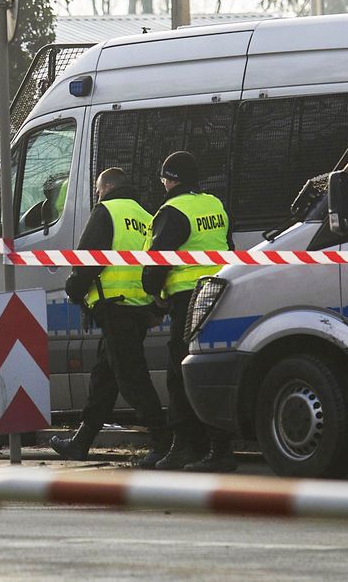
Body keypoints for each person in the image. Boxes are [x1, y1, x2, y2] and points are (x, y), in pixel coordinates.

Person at [54, 168, 171, 466]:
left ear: (107, 187)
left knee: (132, 378)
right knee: (104, 380)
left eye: (97, 190)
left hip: (115, 307)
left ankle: (163, 443)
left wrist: (74, 289)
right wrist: (156, 308)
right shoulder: (146, 216)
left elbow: (87, 260)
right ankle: (81, 442)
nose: (97, 195)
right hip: (139, 308)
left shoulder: (106, 211)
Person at [143, 151, 236, 472]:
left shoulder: (173, 210)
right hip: (221, 293)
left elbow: (157, 261)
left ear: (172, 180)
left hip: (188, 299)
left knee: (179, 372)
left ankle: (184, 447)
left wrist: (155, 294)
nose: (163, 184)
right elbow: (230, 248)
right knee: (210, 370)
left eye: (164, 178)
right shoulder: (214, 204)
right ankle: (219, 448)